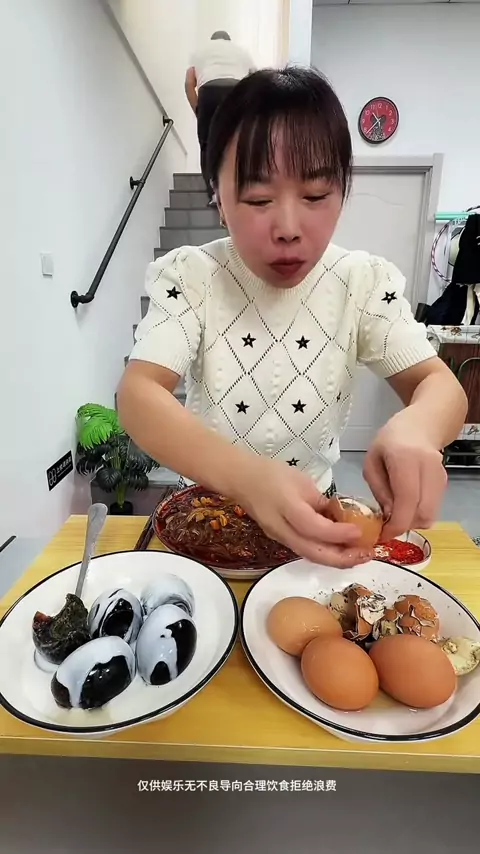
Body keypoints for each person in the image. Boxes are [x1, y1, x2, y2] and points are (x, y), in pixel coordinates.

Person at [118, 67, 467, 568]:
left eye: (316, 195)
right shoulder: (192, 276)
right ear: (218, 197)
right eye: (258, 199)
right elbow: (138, 394)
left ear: (342, 191)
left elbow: (442, 386)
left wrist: (416, 429)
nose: (287, 227)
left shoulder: (360, 282)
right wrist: (248, 479)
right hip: (207, 516)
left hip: (314, 524)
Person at [184, 30, 255, 205]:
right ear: (228, 41)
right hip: (236, 90)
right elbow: (255, 81)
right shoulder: (241, 52)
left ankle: (215, 194)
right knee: (238, 142)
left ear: (212, 40)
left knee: (207, 145)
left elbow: (189, 83)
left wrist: (198, 110)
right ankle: (241, 189)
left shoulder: (200, 52)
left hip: (209, 91)